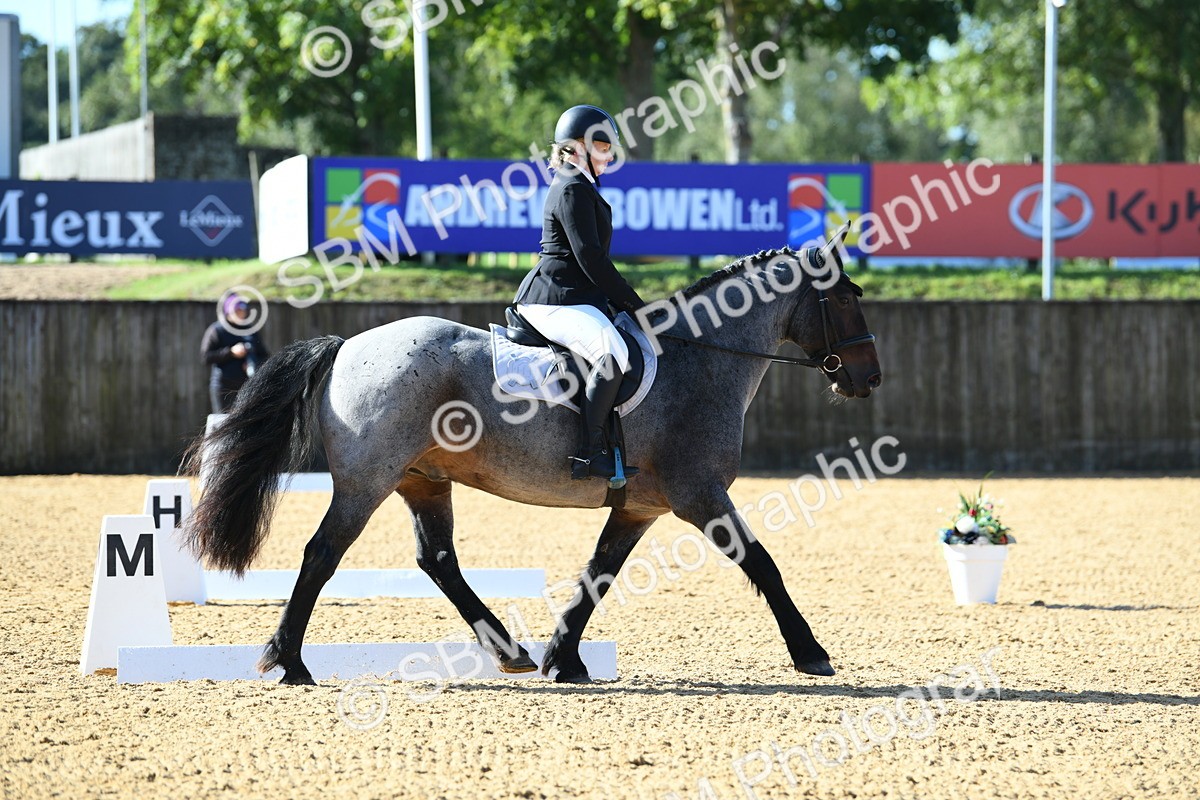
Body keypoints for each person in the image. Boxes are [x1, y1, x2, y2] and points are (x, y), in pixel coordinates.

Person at [514, 104, 646, 481]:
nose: (609, 156)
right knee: (612, 351)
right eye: (602, 147)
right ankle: (590, 455)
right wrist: (633, 304)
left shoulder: (579, 186)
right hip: (553, 297)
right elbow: (590, 258)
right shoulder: (572, 188)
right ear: (576, 147)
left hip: (570, 295)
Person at [201, 294, 270, 413]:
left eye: (243, 310)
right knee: (223, 424)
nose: (241, 313)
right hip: (223, 388)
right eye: (237, 311)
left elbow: (265, 355)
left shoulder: (250, 330)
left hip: (247, 387)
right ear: (228, 312)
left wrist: (254, 364)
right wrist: (230, 352)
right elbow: (205, 357)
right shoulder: (217, 330)